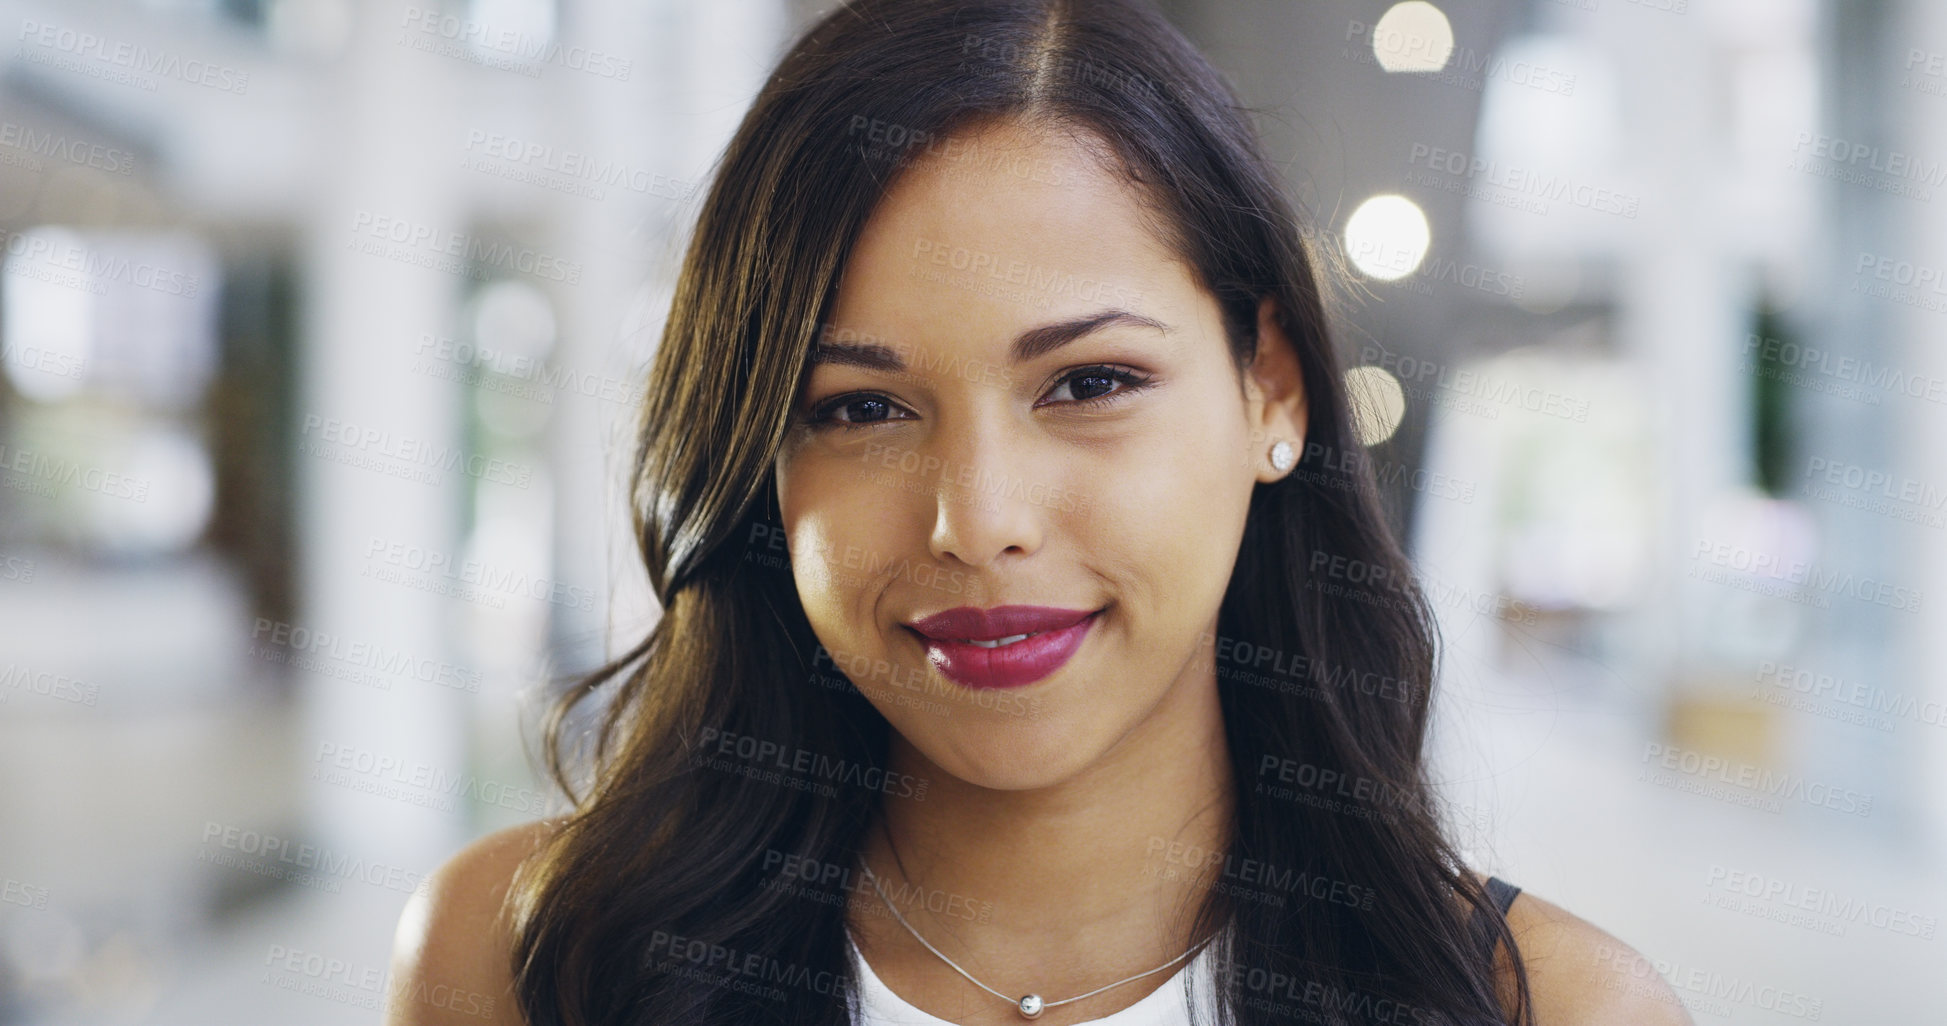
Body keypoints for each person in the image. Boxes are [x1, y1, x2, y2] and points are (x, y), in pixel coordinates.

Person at [385, 1, 1692, 1023]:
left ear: (1273, 388)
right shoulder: (523, 962)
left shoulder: (1550, 1007)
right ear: (759, 458)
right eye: (860, 408)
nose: (979, 519)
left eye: (1091, 382)